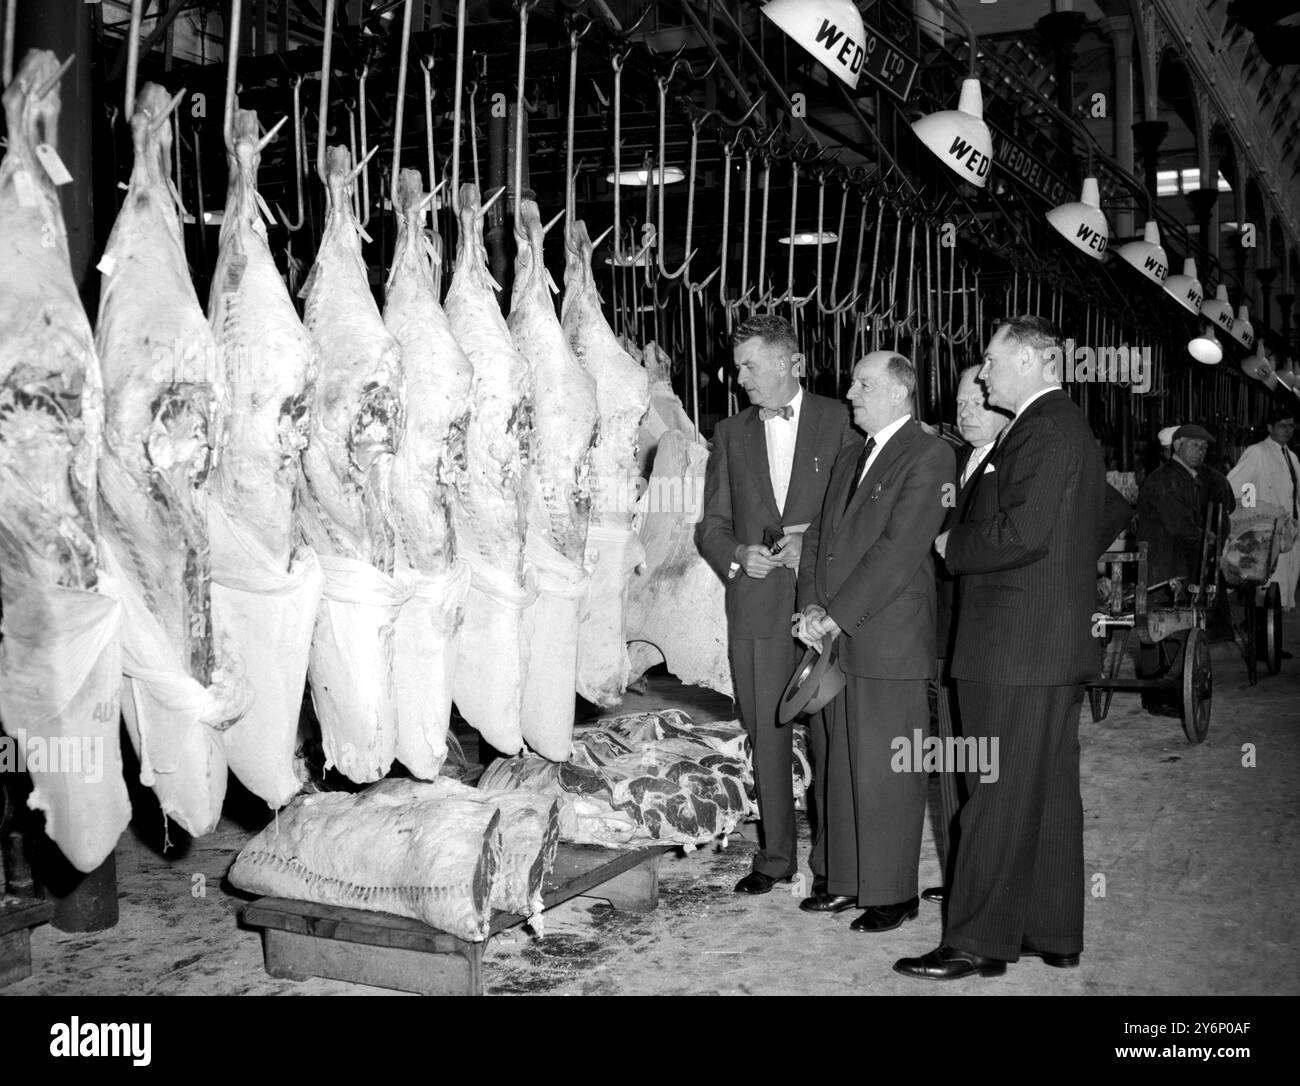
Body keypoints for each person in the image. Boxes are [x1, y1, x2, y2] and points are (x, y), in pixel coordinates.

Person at [895, 315, 1104, 982]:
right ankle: (1051, 931)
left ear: (1031, 360)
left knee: (994, 792)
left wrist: (953, 545)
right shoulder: (1059, 425)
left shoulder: (1043, 428)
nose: (982, 374)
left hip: (1016, 648)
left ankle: (977, 942)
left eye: (990, 360)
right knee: (1043, 795)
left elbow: (1025, 531)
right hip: (1044, 646)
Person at [793, 351, 955, 932]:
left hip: (887, 638)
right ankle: (845, 879)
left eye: (864, 384)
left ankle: (891, 893)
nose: (851, 392)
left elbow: (898, 551)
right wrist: (811, 605)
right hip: (836, 636)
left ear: (899, 393)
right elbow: (817, 541)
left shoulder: (931, 454)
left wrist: (834, 614)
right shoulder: (850, 456)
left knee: (886, 772)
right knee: (838, 763)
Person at [697, 314, 857, 895]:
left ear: (792, 362)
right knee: (766, 732)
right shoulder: (729, 433)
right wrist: (739, 554)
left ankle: (837, 864)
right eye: (737, 366)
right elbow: (709, 525)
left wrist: (807, 541)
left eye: (750, 365)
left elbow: (864, 513)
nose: (739, 377)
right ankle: (773, 858)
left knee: (830, 732)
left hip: (826, 606)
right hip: (757, 606)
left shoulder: (843, 422)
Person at [923, 365, 1010, 906]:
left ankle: (983, 885)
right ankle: (961, 874)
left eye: (978, 399)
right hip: (947, 634)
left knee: (989, 768)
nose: (965, 410)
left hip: (993, 640)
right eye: (958, 402)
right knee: (954, 761)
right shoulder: (954, 462)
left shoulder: (1019, 462)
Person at [1227, 407, 1300, 611]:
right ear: (1270, 428)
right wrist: (1252, 514)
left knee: (1281, 593)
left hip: (1288, 532)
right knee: (1265, 593)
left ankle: (1272, 637)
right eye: (1283, 426)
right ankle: (1259, 637)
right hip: (1265, 534)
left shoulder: (1292, 457)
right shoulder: (1257, 452)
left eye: (1291, 426)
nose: (1288, 430)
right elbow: (1237, 487)